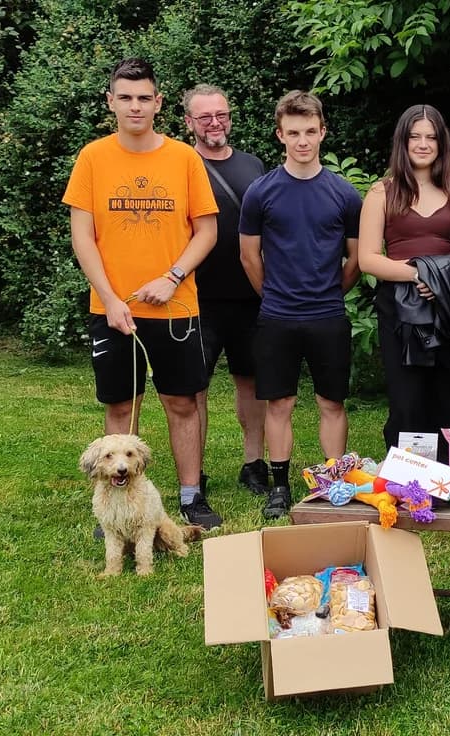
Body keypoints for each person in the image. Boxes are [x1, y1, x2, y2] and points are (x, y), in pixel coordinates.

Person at [63, 57, 223, 532]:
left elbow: (207, 231)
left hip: (175, 306)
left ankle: (191, 496)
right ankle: (115, 507)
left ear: (158, 103)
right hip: (111, 309)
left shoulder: (183, 158)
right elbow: (82, 237)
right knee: (119, 404)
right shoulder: (93, 157)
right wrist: (111, 298)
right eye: (125, 98)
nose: (136, 106)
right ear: (111, 102)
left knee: (182, 401)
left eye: (144, 98)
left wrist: (172, 276)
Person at [239, 90, 362, 519]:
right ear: (280, 135)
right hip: (277, 316)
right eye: (294, 133)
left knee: (332, 403)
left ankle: (335, 483)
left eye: (310, 131)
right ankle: (279, 485)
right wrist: (272, 295)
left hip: (328, 314)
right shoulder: (261, 191)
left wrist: (330, 292)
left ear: (323, 132)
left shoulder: (344, 194)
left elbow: (357, 258)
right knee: (280, 403)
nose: (303, 140)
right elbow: (249, 256)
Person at [359, 104, 450, 460]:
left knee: (447, 397)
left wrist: (443, 280)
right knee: (406, 401)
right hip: (399, 309)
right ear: (403, 141)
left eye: (431, 137)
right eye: (415, 136)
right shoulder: (382, 192)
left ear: (442, 143)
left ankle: (445, 481)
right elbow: (368, 258)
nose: (423, 144)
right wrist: (420, 274)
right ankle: (405, 483)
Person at [182, 83, 269, 497]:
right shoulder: (180, 164)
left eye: (222, 114)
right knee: (194, 387)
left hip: (251, 296)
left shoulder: (254, 165)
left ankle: (254, 464)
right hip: (195, 297)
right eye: (205, 117)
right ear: (188, 122)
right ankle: (193, 474)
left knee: (251, 383)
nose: (215, 123)